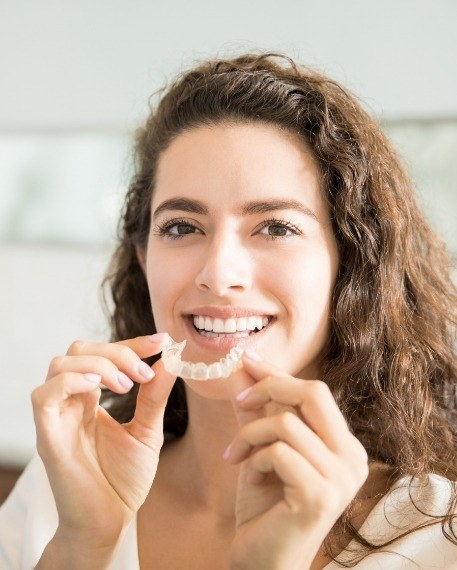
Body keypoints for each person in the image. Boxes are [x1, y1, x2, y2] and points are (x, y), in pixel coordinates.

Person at [0, 51, 456, 569]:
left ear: (349, 264)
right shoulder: (58, 493)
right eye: (182, 227)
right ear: (144, 259)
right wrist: (82, 547)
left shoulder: (436, 536)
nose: (218, 273)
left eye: (277, 227)